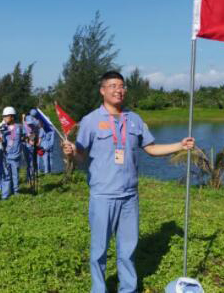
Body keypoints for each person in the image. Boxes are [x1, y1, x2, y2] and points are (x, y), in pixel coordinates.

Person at [63, 71, 195, 293]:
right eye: (113, 86)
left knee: (128, 250)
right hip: (103, 196)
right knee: (99, 250)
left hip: (129, 197)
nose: (118, 90)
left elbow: (151, 148)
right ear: (102, 90)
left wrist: (179, 145)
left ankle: (128, 289)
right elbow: (80, 156)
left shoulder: (134, 119)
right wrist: (70, 153)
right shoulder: (90, 121)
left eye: (122, 86)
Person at [0, 106, 23, 199]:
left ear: (12, 117)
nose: (4, 118)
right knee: (6, 175)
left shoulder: (19, 127)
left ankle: (16, 191)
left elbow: (28, 136)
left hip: (16, 156)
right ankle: (6, 194)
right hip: (6, 156)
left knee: (15, 175)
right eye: (3, 116)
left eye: (6, 116)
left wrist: (31, 139)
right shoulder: (2, 128)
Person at [23, 113, 40, 184]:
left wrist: (36, 142)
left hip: (33, 147)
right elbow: (22, 137)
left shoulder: (35, 127)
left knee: (32, 163)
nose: (30, 125)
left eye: (31, 123)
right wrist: (27, 140)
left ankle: (33, 177)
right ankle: (28, 178)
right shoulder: (24, 127)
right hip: (26, 147)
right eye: (29, 123)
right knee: (28, 163)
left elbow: (37, 136)